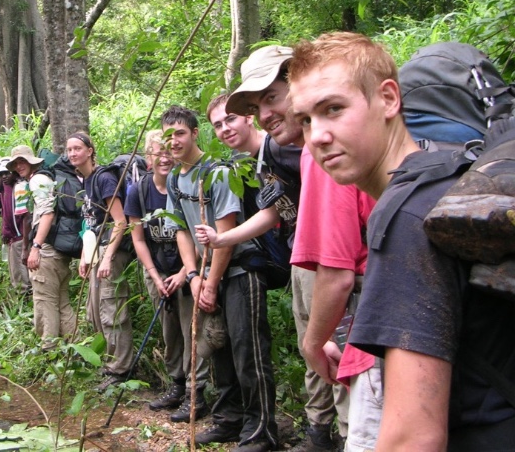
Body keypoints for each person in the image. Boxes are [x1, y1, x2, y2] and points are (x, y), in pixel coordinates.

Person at [287, 32, 515, 451]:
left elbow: (412, 437)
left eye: (333, 109)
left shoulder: (407, 215)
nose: (316, 135)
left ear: (389, 99)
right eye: (305, 119)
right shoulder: (453, 181)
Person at [217, 45, 377, 452]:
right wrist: (224, 238)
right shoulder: (274, 155)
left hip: (338, 267)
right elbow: (276, 210)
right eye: (257, 105)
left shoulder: (319, 150)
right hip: (309, 260)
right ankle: (322, 432)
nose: (265, 114)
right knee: (325, 353)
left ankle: (342, 434)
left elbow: (339, 263)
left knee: (338, 355)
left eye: (272, 97)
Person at [162, 105, 277, 452]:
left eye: (180, 133)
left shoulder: (217, 172)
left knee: (248, 351)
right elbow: (179, 229)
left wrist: (210, 282)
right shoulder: (173, 178)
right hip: (206, 273)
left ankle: (262, 431)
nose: (174, 141)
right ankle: (229, 420)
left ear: (196, 134)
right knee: (218, 350)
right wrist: (194, 277)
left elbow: (226, 231)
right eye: (168, 135)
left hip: (241, 269)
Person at [124, 129, 210, 420]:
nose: (163, 158)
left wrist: (186, 272)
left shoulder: (184, 185)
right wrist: (155, 275)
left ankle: (193, 392)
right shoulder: (139, 191)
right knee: (169, 330)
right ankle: (175, 384)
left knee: (192, 331)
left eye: (166, 152)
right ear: (148, 158)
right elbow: (138, 238)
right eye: (157, 153)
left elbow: (198, 236)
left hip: (188, 271)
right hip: (158, 270)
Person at [69, 132, 135, 391]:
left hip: (112, 252)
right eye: (69, 150)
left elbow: (120, 222)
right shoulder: (86, 182)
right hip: (96, 250)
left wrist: (107, 256)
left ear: (90, 151)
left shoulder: (104, 178)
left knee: (112, 309)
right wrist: (86, 257)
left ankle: (122, 369)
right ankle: (110, 364)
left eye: (77, 149)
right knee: (96, 311)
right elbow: (91, 224)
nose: (73, 153)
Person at [9, 145, 76, 349]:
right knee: (62, 303)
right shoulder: (47, 178)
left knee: (44, 301)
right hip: (59, 250)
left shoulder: (38, 180)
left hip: (47, 250)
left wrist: (35, 247)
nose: (19, 166)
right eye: (16, 163)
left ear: (32, 162)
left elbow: (47, 214)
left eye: (23, 161)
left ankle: (49, 351)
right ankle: (76, 346)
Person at [0, 157, 30, 294]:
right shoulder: (4, 190)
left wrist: (22, 239)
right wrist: (5, 231)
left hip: (20, 236)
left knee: (21, 275)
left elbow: (24, 215)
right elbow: (6, 214)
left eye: (7, 173)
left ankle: (25, 299)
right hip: (12, 237)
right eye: (1, 174)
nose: (4, 177)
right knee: (15, 272)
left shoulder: (19, 186)